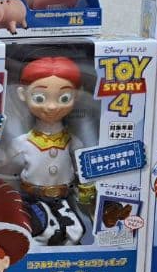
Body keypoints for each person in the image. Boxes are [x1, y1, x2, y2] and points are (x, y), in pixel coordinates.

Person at [7, 56, 93, 246]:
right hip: (33, 199)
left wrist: (86, 186)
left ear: (77, 95)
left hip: (64, 198)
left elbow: (83, 166)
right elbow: (1, 164)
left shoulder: (72, 140)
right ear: (22, 94)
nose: (52, 106)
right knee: (43, 233)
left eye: (64, 98)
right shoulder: (22, 142)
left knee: (75, 232)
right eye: (39, 98)